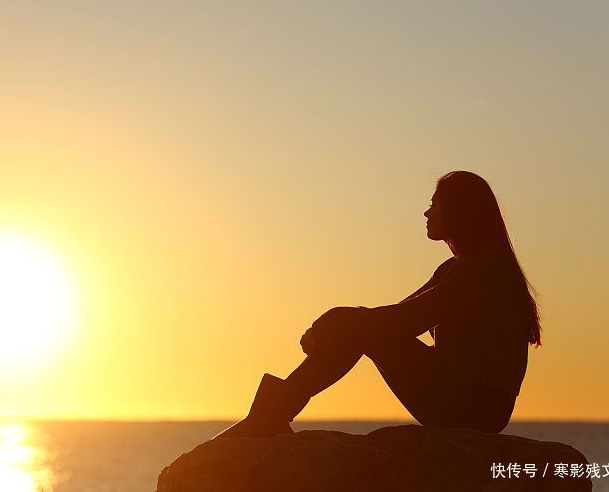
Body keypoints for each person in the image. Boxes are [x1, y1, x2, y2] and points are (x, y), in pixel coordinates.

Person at [214, 171, 542, 439]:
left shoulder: (479, 272)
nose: (427, 213)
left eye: (434, 205)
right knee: (361, 328)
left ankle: (268, 415)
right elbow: (394, 316)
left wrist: (337, 321)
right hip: (463, 399)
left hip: (471, 407)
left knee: (361, 328)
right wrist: (342, 325)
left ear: (458, 211)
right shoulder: (457, 269)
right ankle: (269, 414)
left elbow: (399, 323)